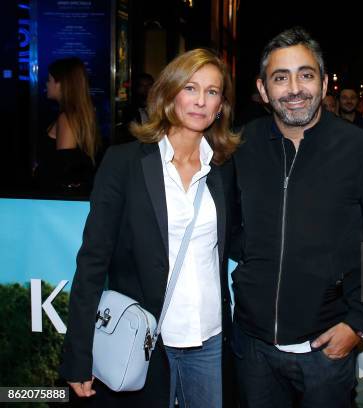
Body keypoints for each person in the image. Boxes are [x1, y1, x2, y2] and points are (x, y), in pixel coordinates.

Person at [231, 27, 363, 408]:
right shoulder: (240, 145)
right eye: (281, 77)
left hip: (327, 350)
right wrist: (252, 264)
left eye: (305, 75)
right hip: (252, 347)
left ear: (324, 82)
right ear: (263, 90)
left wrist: (359, 322)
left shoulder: (361, 150)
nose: (294, 88)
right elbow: (225, 223)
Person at [59, 48, 240, 408]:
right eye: (191, 88)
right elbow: (93, 261)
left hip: (209, 341)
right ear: (170, 93)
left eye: (212, 91)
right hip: (144, 341)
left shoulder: (223, 167)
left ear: (221, 105)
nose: (201, 101)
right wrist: (78, 353)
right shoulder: (124, 163)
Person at [37, 57, 100, 194]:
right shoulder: (78, 114)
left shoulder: (67, 117)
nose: (46, 84)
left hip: (57, 199)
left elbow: (66, 168)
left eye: (49, 80)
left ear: (61, 84)